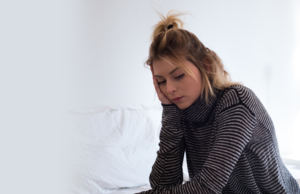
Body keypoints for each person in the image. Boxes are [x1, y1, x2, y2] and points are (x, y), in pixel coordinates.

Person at [136, 10, 300, 194]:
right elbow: (162, 186)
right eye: (161, 81)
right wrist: (169, 112)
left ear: (204, 65)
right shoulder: (180, 111)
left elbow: (206, 188)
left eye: (179, 76)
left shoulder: (237, 102)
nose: (170, 89)